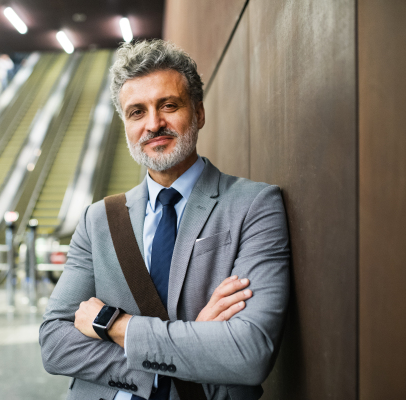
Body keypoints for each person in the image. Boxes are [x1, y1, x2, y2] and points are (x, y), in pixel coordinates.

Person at [39, 40, 290, 400]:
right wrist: (190, 342)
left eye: (168, 106)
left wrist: (114, 324)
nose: (154, 124)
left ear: (199, 113)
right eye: (136, 112)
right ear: (125, 124)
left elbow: (249, 353)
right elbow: (54, 344)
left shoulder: (254, 205)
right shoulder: (98, 220)